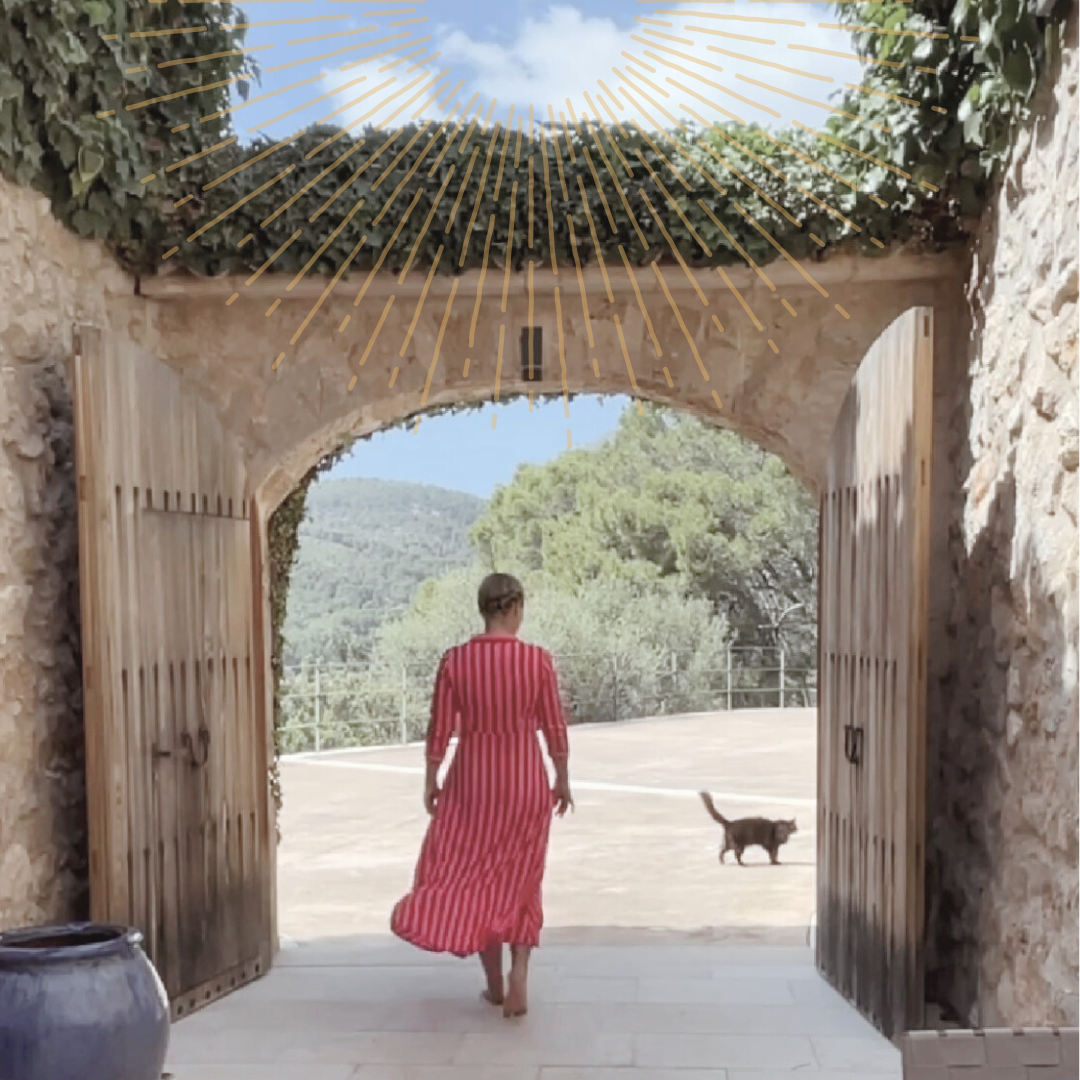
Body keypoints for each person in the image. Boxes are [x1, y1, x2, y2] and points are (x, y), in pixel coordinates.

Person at [390, 572, 573, 1018]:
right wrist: (562, 776)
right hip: (525, 782)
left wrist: (431, 778)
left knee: (474, 881)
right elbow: (553, 725)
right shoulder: (538, 661)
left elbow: (440, 729)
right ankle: (521, 973)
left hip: (472, 785)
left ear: (483, 608)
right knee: (522, 878)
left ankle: (493, 984)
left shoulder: (455, 662)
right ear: (515, 608)